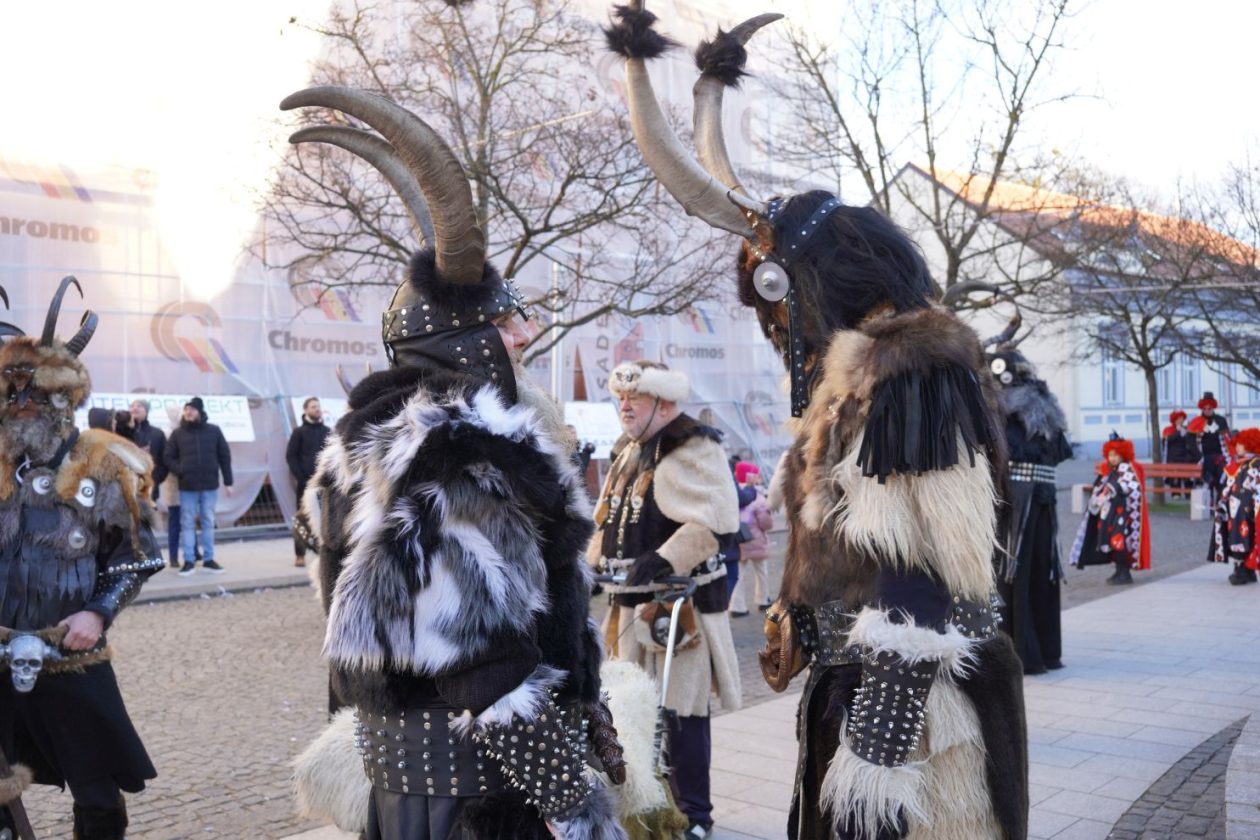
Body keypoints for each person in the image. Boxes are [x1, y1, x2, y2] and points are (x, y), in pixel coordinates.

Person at [607, 13, 1028, 837]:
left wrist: (875, 758)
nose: (779, 340)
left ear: (805, 293)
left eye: (777, 316)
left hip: (914, 723)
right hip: (862, 689)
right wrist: (802, 609)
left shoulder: (910, 372)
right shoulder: (872, 374)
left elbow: (925, 576)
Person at [285, 86, 625, 840]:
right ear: (462, 339)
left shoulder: (365, 443)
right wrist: (575, 807)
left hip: (412, 785)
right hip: (481, 796)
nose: (524, 335)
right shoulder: (451, 451)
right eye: (505, 322)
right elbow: (485, 667)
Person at [0, 277, 163, 840]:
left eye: (34, 397)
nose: (21, 409)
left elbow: (136, 557)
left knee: (96, 786)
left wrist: (97, 612)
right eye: (11, 398)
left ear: (63, 399)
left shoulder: (101, 459)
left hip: (71, 653)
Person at [590, 359, 742, 840]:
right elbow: (607, 522)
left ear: (665, 403)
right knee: (629, 710)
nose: (625, 407)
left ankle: (695, 814)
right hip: (627, 606)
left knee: (681, 715)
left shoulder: (693, 444)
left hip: (678, 609)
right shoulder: (627, 450)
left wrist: (665, 557)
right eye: (621, 398)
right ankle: (646, 809)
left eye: (635, 398)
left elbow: (718, 520)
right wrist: (588, 569)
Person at [164, 396, 232, 576]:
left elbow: (224, 456)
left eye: (192, 409)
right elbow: (168, 456)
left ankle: (209, 560)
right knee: (187, 523)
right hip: (187, 486)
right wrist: (180, 470)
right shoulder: (178, 434)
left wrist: (228, 482)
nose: (188, 412)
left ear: (200, 411)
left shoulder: (214, 431)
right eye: (186, 409)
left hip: (209, 485)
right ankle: (189, 561)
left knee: (208, 521)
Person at [1070, 435, 1151, 584]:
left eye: (1115, 455)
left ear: (1123, 454)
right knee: (1111, 541)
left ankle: (1125, 572)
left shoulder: (1128, 469)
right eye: (1110, 455)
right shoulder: (1111, 469)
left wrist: (1114, 488)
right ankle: (1119, 570)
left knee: (1119, 541)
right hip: (1109, 513)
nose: (1112, 458)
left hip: (1123, 514)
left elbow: (1132, 488)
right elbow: (1101, 485)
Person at [1208, 428, 1260, 584]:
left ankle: (1244, 570)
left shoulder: (1255, 465)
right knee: (1236, 537)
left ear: (1250, 445)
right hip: (1235, 509)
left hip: (1248, 510)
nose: (1237, 447)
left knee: (1246, 538)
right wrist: (1223, 501)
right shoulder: (1240, 463)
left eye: (1240, 444)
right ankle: (1243, 569)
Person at [285, 397, 329, 568]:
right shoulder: (299, 432)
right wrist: (301, 477)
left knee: (326, 518)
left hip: (324, 485)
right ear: (305, 410)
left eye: (318, 406)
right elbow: (291, 456)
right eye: (313, 406)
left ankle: (324, 553)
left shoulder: (327, 431)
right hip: (305, 485)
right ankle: (299, 554)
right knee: (301, 519)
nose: (317, 409)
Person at [128, 400, 173, 566]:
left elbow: (164, 461)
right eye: (132, 406)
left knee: (145, 524)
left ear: (146, 411)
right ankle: (129, 558)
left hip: (148, 489)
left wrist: (155, 480)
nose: (135, 408)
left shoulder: (157, 434)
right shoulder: (122, 431)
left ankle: (147, 558)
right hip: (126, 487)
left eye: (139, 406)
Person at [728, 461, 773, 618]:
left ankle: (737, 606)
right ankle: (763, 600)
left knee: (738, 575)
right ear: (750, 477)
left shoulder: (733, 493)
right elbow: (765, 523)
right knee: (761, 571)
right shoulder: (757, 496)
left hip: (739, 541)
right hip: (756, 541)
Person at [1195, 392, 1232, 506]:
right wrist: (1198, 457)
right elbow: (1192, 442)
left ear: (1213, 407)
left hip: (1220, 457)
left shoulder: (1221, 420)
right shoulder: (1197, 422)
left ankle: (1220, 506)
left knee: (1221, 483)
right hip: (1205, 459)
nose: (1207, 410)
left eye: (1209, 408)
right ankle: (1209, 507)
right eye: (1205, 408)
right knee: (1208, 484)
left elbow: (1227, 439)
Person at [1162, 409, 1200, 499]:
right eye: (1178, 419)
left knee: (1188, 477)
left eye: (1182, 419)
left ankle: (1188, 493)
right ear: (1174, 420)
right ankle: (1176, 493)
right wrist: (1177, 432)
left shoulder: (1186, 429)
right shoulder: (1168, 430)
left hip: (1185, 457)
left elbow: (1191, 441)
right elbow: (1167, 441)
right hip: (1173, 458)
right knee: (1175, 477)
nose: (1180, 420)